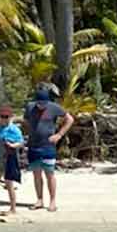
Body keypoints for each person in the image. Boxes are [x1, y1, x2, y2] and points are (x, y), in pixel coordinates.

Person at [24, 82, 75, 213]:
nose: (42, 106)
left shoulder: (54, 107)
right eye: (39, 103)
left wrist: (59, 134)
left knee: (50, 174)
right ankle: (39, 200)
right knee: (36, 174)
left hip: (48, 146)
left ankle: (52, 201)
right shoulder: (30, 107)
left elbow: (69, 119)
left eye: (44, 104)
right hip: (33, 146)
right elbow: (25, 121)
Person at [0, 104, 27, 217]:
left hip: (10, 158)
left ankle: (13, 208)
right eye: (2, 116)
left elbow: (21, 142)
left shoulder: (14, 129)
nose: (4, 119)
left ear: (10, 117)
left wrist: (12, 145)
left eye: (6, 117)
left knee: (9, 184)